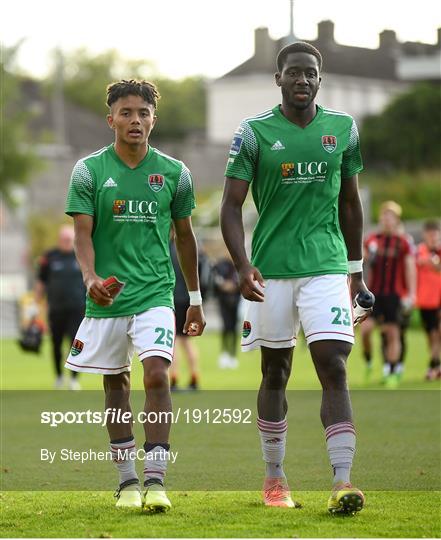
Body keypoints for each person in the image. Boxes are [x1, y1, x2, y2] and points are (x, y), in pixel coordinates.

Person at [220, 41, 370, 514]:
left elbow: (350, 203)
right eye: (293, 73)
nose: (302, 80)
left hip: (325, 267)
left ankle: (342, 482)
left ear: (319, 81)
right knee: (276, 373)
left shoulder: (342, 130)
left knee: (334, 364)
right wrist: (243, 266)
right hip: (271, 272)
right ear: (278, 79)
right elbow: (230, 206)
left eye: (310, 73)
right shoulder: (253, 132)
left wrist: (355, 272)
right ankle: (274, 478)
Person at [64, 80, 206, 512]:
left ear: (153, 120)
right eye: (126, 113)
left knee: (158, 375)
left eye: (143, 113)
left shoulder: (176, 173)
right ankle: (127, 481)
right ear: (111, 120)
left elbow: (185, 237)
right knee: (116, 385)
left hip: (156, 295)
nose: (135, 120)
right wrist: (89, 277)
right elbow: (82, 234)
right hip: (106, 298)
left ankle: (157, 480)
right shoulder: (89, 171)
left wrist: (196, 297)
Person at [364, 202, 416, 387]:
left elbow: (410, 268)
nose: (386, 220)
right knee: (366, 330)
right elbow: (362, 257)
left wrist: (411, 293)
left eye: (390, 216)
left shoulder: (403, 242)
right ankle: (368, 360)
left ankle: (392, 371)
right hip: (374, 294)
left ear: (396, 220)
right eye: (384, 216)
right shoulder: (373, 239)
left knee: (393, 332)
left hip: (394, 294)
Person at [34, 225, 85, 389]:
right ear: (59, 239)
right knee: (55, 343)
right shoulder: (50, 257)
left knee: (75, 343)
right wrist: (35, 305)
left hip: (78, 308)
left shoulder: (82, 255)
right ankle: (58, 377)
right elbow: (41, 282)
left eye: (69, 239)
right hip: (56, 309)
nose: (67, 242)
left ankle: (74, 378)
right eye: (64, 239)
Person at [169, 234, 200, 391]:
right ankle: (194, 378)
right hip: (188, 300)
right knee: (187, 341)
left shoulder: (166, 250)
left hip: (172, 299)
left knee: (172, 341)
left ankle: (173, 379)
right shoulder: (187, 249)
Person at [416, 220, 441, 380]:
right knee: (431, 334)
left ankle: (433, 364)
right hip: (426, 299)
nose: (432, 237)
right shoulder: (420, 250)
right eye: (429, 234)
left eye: (435, 234)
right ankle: (435, 363)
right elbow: (419, 261)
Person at [213, 255, 241, 369]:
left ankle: (233, 355)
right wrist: (224, 286)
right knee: (225, 327)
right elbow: (215, 279)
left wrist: (234, 286)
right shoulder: (220, 265)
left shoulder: (239, 264)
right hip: (223, 301)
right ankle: (224, 353)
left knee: (234, 328)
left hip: (236, 301)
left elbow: (241, 280)